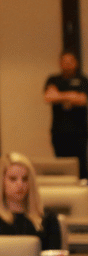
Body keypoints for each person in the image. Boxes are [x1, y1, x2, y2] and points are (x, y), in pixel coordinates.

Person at [0, 152, 61, 251]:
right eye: (13, 179)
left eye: (25, 179)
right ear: (1, 182)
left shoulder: (47, 218)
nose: (20, 184)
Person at [44, 50, 88, 180]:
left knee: (81, 165)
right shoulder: (53, 79)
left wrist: (60, 95)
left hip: (79, 131)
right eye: (65, 61)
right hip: (59, 131)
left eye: (70, 61)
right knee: (61, 165)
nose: (67, 64)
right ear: (60, 63)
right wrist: (71, 95)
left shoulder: (83, 80)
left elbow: (82, 100)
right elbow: (49, 97)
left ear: (76, 63)